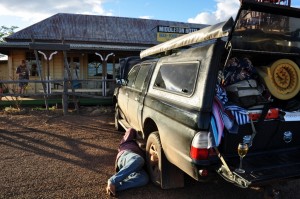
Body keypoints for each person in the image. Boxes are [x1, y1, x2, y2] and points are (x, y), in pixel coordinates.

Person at [106, 128, 149, 196]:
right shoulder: (126, 142)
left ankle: (115, 188)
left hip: (134, 164)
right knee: (138, 159)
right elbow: (131, 130)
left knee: (144, 178)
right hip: (126, 155)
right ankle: (113, 181)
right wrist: (139, 135)